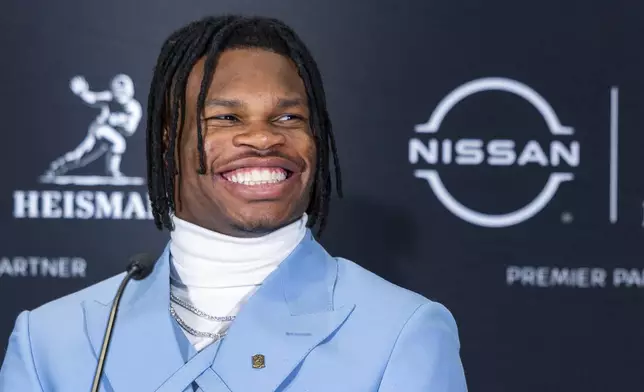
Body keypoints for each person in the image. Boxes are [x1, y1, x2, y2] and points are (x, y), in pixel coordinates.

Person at [0, 15, 468, 391]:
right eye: (225, 117)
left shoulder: (400, 332)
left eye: (289, 116)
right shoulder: (50, 341)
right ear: (168, 142)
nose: (264, 137)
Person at [42, 74, 142, 180]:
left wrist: (118, 122)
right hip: (99, 129)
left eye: (123, 92)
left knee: (85, 156)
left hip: (110, 135)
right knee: (115, 144)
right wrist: (82, 92)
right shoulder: (109, 97)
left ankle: (112, 171)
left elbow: (130, 130)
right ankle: (55, 168)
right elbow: (93, 98)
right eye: (117, 92)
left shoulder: (134, 108)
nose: (120, 96)